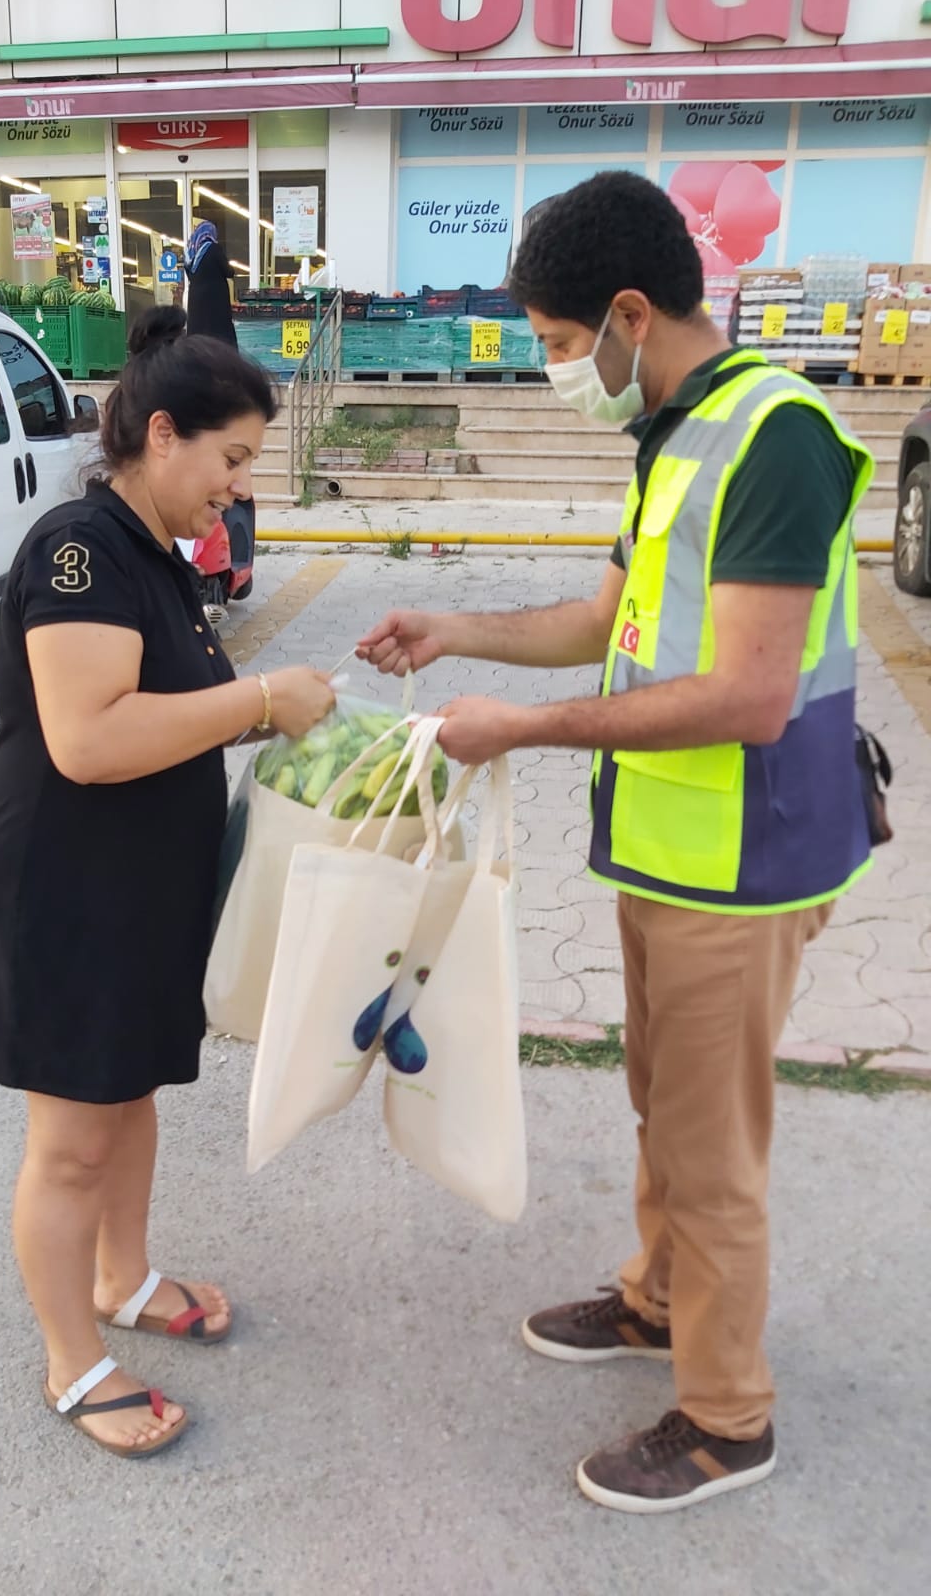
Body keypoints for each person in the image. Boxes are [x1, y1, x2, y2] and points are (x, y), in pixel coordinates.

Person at [358, 171, 874, 1515]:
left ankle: (725, 1418)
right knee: (666, 1108)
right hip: (667, 850)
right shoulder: (675, 428)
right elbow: (613, 622)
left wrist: (522, 727)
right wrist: (453, 631)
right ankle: (655, 1302)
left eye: (551, 341)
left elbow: (755, 693)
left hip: (745, 866)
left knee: (711, 1151)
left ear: (630, 314)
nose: (551, 368)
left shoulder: (776, 437)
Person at [0, 306, 334, 1459]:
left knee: (129, 1100)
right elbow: (88, 739)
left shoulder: (159, 559)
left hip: (136, 894)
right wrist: (264, 702)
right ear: (161, 435)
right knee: (71, 1139)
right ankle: (73, 1363)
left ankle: (123, 1279)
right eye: (230, 461)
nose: (237, 486)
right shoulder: (78, 549)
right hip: (64, 894)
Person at [183, 219, 238, 346]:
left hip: (196, 301)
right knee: (219, 337)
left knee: (198, 338)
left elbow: (190, 275)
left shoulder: (190, 253)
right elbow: (229, 272)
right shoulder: (213, 248)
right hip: (214, 301)